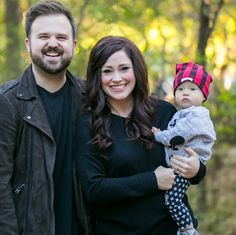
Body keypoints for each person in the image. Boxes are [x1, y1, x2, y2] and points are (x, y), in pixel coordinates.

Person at [76, 36, 207, 235]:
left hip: (174, 230)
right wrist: (152, 181)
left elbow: (192, 166)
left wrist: (196, 169)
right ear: (97, 76)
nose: (117, 78)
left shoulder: (164, 111)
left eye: (124, 68)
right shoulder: (89, 123)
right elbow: (94, 189)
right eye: (107, 71)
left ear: (136, 70)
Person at [0, 1, 93, 234]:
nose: (53, 44)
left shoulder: (91, 98)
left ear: (73, 45)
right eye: (43, 36)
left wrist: (195, 168)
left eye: (61, 37)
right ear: (28, 44)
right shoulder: (7, 102)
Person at [152, 62, 216, 235]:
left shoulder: (197, 115)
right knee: (173, 198)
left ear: (204, 95)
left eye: (192, 89)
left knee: (173, 200)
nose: (185, 92)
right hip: (181, 164)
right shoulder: (182, 113)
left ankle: (187, 229)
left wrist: (158, 135)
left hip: (184, 165)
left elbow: (176, 136)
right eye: (180, 89)